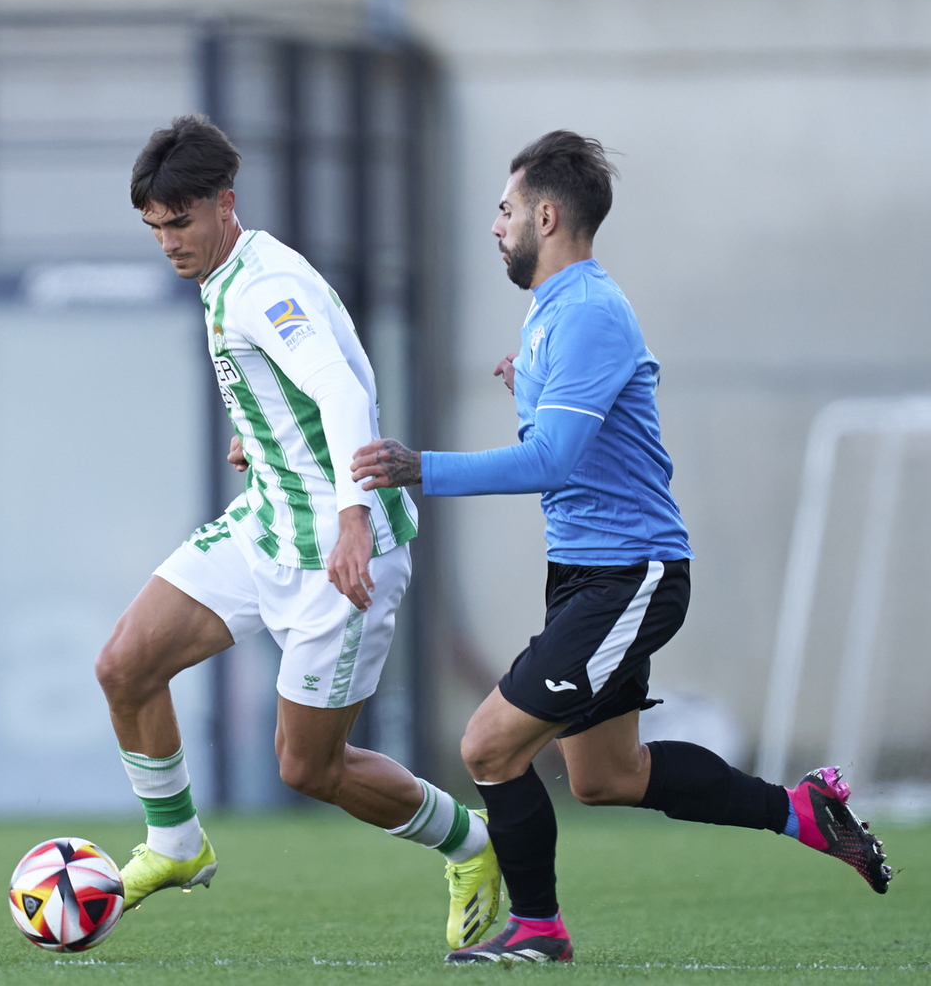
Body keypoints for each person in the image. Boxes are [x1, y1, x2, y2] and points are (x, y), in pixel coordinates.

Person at [351, 130, 892, 964]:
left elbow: (555, 460)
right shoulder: (554, 311)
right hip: (586, 574)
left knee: (487, 745)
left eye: (504, 210)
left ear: (546, 213)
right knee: (608, 776)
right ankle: (802, 812)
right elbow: (579, 435)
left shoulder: (592, 311)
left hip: (628, 575)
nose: (494, 226)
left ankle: (539, 929)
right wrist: (526, 380)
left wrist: (419, 468)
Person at [94, 114, 501, 952]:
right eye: (155, 228)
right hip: (268, 524)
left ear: (224, 205)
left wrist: (351, 517)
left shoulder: (262, 288)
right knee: (126, 666)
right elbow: (331, 374)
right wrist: (264, 432)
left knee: (308, 768)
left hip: (340, 555)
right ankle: (175, 844)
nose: (168, 243)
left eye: (181, 223)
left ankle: (472, 843)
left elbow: (345, 397)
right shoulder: (231, 273)